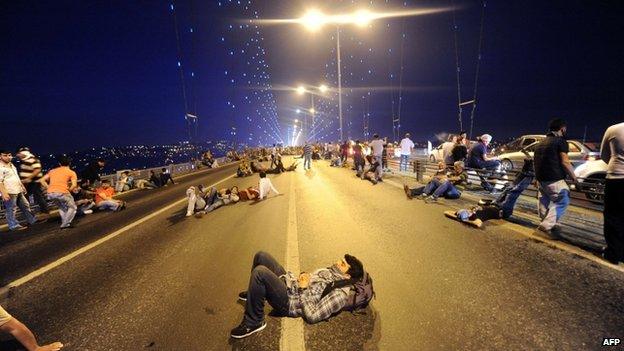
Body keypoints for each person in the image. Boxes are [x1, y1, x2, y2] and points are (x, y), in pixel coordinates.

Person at [230, 251, 364, 339]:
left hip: (289, 301)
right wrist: (304, 275)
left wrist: (303, 289)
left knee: (260, 273)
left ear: (347, 276)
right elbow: (312, 279)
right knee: (261, 256)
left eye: (342, 264)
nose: (336, 262)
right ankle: (257, 292)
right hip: (291, 284)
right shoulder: (332, 272)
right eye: (340, 260)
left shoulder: (339, 295)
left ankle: (254, 321)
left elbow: (313, 316)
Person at [533, 118, 578, 238]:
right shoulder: (561, 142)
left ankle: (546, 223)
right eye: (565, 129)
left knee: (544, 201)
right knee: (563, 199)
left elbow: (536, 162)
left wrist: (536, 179)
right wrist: (574, 178)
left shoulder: (539, 144)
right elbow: (565, 162)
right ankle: (546, 226)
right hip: (554, 179)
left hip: (541, 180)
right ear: (562, 129)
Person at [600, 122, 624, 264]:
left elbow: (604, 155)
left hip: (616, 177)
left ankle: (613, 253)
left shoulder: (613, 129)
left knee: (613, 216)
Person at [0, 150, 37, 231]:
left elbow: (16, 177)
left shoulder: (11, 165)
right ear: (0, 156)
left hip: (18, 189)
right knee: (11, 209)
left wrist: (22, 186)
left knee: (25, 205)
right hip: (9, 191)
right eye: (5, 155)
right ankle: (13, 225)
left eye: (9, 155)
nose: (8, 157)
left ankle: (32, 220)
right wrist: (3, 193)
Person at [40, 156, 78, 229]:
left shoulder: (52, 171)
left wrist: (49, 188)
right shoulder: (71, 172)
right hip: (62, 192)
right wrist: (68, 190)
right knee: (73, 207)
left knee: (61, 207)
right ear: (70, 163)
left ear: (59, 164)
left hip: (50, 193)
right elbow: (74, 185)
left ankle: (65, 223)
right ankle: (65, 224)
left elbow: (42, 180)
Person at [16, 147, 50, 214]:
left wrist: (28, 178)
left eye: (18, 154)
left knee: (37, 195)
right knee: (29, 196)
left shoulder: (32, 159)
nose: (18, 156)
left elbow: (37, 170)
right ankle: (30, 212)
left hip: (34, 182)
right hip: (27, 182)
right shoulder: (25, 160)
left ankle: (45, 210)